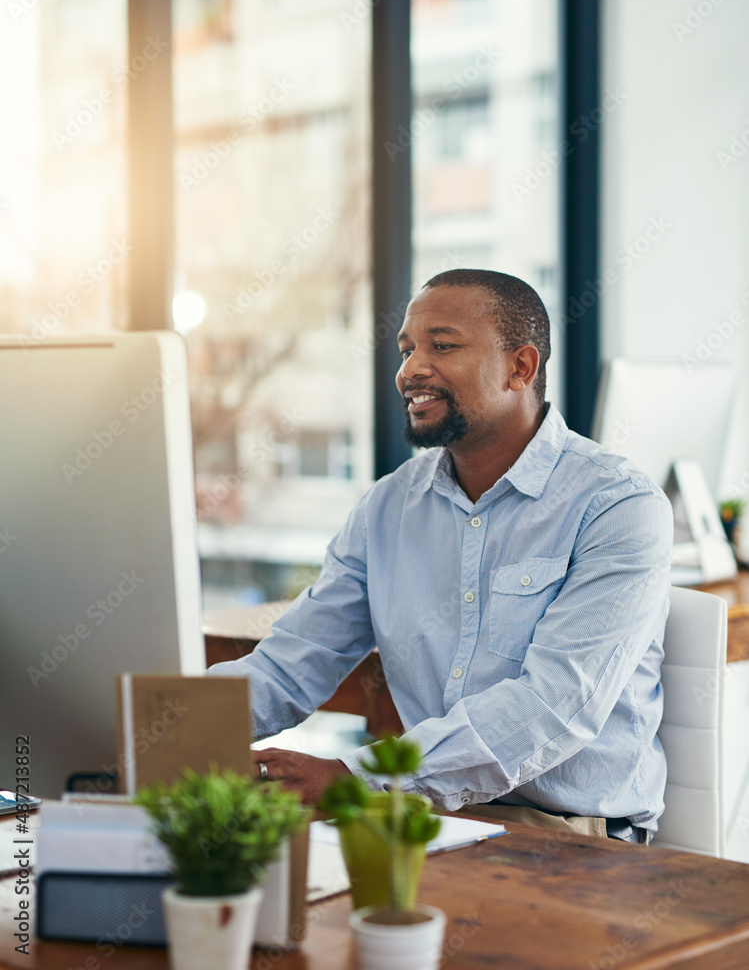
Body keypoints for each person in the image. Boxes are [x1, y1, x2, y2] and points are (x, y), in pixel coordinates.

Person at [208, 269, 673, 842]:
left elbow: (554, 706)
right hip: (427, 821)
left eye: (442, 345)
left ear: (519, 368)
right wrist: (172, 725)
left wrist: (356, 780)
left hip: (571, 839)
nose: (410, 370)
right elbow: (294, 660)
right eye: (407, 350)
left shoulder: (615, 504)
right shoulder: (388, 506)